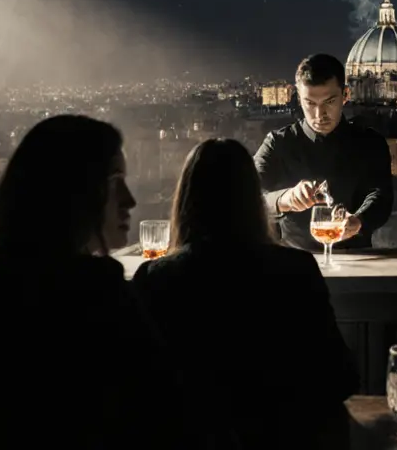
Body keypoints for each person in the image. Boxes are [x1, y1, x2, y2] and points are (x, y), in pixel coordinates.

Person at [0, 115, 220, 449]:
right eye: (114, 181)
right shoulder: (91, 291)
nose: (130, 200)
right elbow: (168, 409)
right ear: (75, 191)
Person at [133, 139, 357, 449]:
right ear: (252, 199)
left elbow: (141, 393)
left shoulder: (155, 278)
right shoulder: (296, 269)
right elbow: (341, 376)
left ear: (186, 200)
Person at [254, 53, 392, 250]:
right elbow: (249, 197)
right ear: (298, 98)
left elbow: (381, 195)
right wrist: (285, 199)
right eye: (310, 103)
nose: (319, 115)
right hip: (294, 262)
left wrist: (358, 220)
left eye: (329, 102)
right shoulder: (278, 143)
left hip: (356, 259)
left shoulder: (370, 143)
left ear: (346, 95)